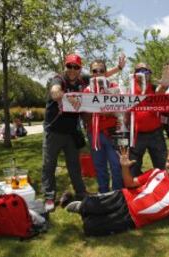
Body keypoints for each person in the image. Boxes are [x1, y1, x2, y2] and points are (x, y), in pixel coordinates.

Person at [63, 148, 169, 236]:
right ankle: (79, 205)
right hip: (123, 198)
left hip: (134, 219)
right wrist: (124, 167)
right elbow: (130, 183)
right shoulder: (155, 172)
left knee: (91, 228)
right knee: (90, 205)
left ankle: (88, 212)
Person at [42, 53, 125, 212]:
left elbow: (101, 76)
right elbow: (55, 91)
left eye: (76, 67)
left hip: (72, 132)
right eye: (69, 66)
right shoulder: (58, 79)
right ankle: (49, 197)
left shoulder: (83, 81)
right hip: (54, 131)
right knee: (49, 165)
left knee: (74, 165)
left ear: (80, 69)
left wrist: (119, 68)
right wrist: (65, 98)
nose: (72, 70)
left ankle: (81, 193)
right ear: (65, 67)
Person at [82, 59, 123, 193]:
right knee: (100, 166)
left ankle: (117, 194)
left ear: (106, 72)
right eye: (95, 71)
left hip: (113, 132)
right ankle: (104, 193)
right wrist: (96, 109)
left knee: (116, 165)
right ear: (91, 73)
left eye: (101, 70)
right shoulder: (87, 91)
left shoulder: (114, 86)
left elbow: (121, 108)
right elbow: (85, 116)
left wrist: (107, 110)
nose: (98, 73)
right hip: (95, 134)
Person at [128, 63, 167, 177]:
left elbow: (166, 96)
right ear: (134, 74)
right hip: (136, 135)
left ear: (150, 74)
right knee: (133, 169)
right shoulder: (128, 90)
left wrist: (165, 84)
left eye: (145, 71)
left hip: (156, 134)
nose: (142, 73)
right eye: (139, 70)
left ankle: (164, 191)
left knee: (162, 166)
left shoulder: (156, 88)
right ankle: (135, 192)